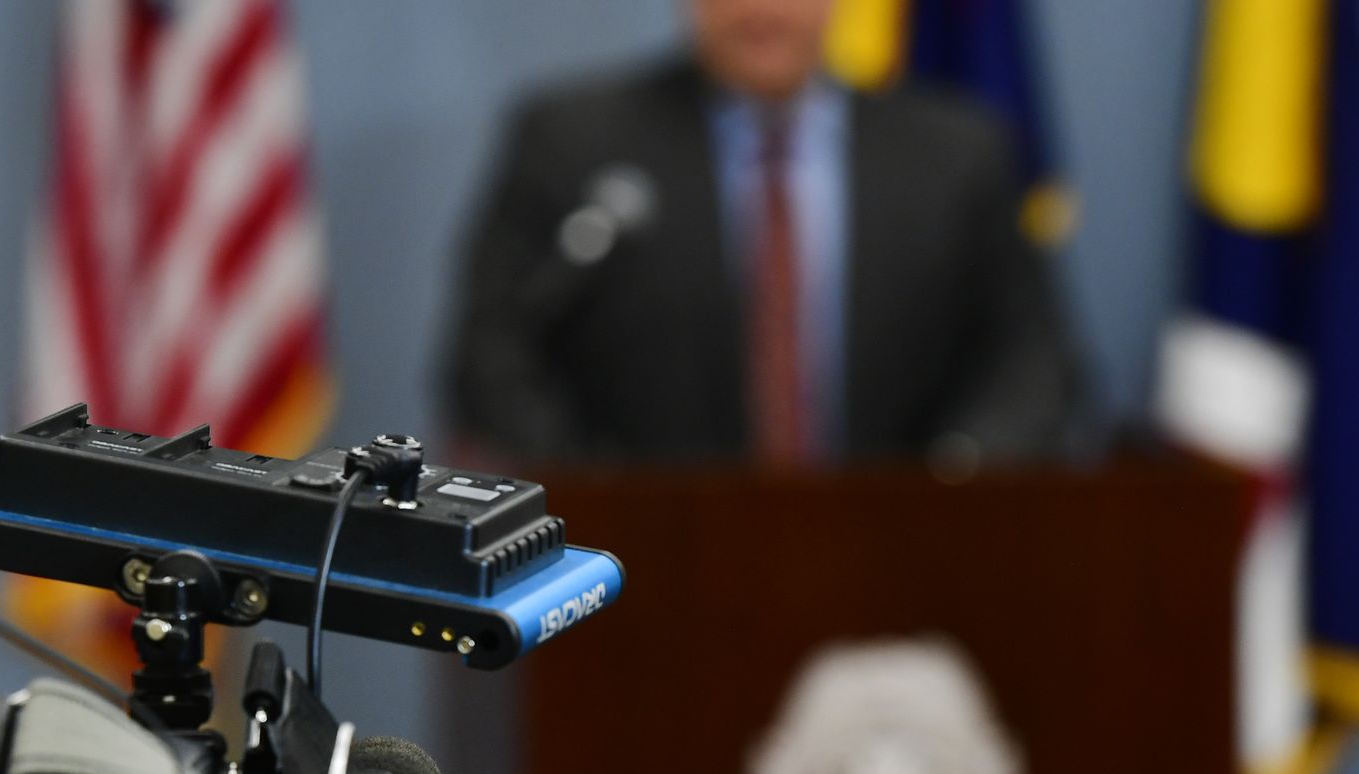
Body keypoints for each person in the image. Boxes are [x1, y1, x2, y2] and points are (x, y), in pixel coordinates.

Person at [441, 0, 1079, 467]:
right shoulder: (575, 142)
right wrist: (594, 492)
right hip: (641, 562)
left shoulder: (955, 154)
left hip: (898, 552)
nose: (763, 11)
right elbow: (492, 354)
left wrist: (957, 474)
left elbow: (1032, 360)